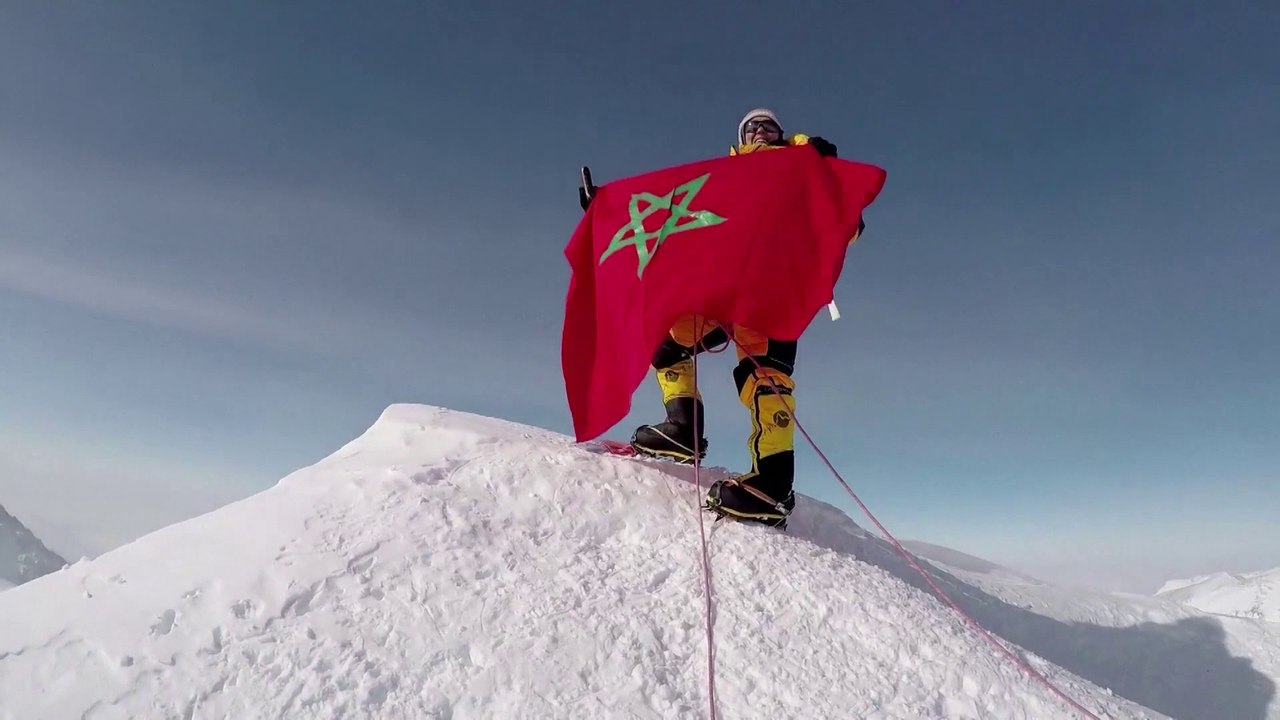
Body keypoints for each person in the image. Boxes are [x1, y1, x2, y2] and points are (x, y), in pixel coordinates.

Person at [583, 108, 845, 529]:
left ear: (782, 134)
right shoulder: (721, 183)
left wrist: (825, 170)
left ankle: (773, 487)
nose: (760, 131)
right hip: (723, 291)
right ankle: (682, 428)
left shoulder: (804, 169)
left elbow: (846, 224)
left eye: (769, 126)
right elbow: (670, 218)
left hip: (772, 291)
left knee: (765, 377)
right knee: (667, 342)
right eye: (751, 127)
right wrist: (609, 210)